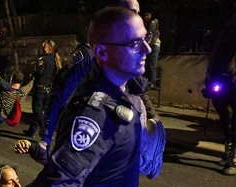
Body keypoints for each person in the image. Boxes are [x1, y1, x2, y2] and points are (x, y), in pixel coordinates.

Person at [33, 7, 152, 187]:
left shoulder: (125, 90)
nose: (147, 49)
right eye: (134, 43)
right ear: (101, 52)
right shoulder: (94, 113)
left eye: (147, 39)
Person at [40, 0, 156, 146]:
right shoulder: (89, 53)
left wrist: (153, 123)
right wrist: (45, 139)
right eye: (132, 12)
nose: (137, 17)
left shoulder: (129, 55)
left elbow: (139, 90)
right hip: (92, 136)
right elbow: (61, 92)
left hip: (122, 137)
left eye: (138, 13)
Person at [204, 22, 236, 175]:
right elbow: (214, 52)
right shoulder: (226, 30)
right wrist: (209, 74)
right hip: (222, 76)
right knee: (225, 116)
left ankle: (233, 158)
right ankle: (228, 147)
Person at [24, 40, 61, 138]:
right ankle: (31, 131)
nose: (43, 47)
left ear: (50, 48)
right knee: (41, 111)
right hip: (47, 89)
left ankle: (46, 130)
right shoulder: (55, 60)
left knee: (37, 111)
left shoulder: (43, 58)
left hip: (39, 88)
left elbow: (39, 72)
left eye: (45, 46)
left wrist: (34, 68)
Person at [0, 69, 35, 142]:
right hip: (5, 117)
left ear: (11, 79)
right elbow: (30, 84)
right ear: (21, 81)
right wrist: (33, 76)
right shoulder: (23, 92)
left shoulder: (6, 87)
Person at [143, 10, 161, 87]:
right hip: (150, 45)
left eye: (147, 15)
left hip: (154, 45)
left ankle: (152, 83)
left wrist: (149, 43)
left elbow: (153, 35)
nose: (145, 17)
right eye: (145, 15)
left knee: (152, 65)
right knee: (147, 64)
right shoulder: (147, 24)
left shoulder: (153, 23)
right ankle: (148, 82)